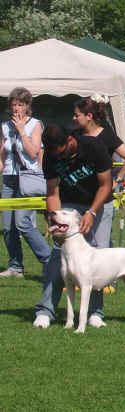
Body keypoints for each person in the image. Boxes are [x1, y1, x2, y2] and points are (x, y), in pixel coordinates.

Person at [33, 125, 114, 328]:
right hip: (69, 206)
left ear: (69, 141)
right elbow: (52, 192)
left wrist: (92, 212)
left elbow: (106, 185)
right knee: (58, 255)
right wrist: (55, 223)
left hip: (98, 202)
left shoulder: (94, 147)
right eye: (53, 154)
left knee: (98, 256)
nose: (57, 158)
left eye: (60, 153)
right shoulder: (51, 155)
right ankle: (45, 311)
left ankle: (95, 313)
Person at [0, 87, 51, 278]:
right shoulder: (5, 126)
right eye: (13, 104)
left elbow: (33, 152)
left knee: (23, 223)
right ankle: (15, 266)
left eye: (20, 104)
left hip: (28, 177)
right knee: (8, 227)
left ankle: (48, 259)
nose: (16, 108)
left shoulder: (35, 124)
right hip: (9, 178)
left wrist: (22, 130)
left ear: (27, 106)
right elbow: (3, 154)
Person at [73, 96, 125, 190]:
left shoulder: (107, 135)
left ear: (89, 116)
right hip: (78, 194)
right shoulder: (74, 135)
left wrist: (117, 180)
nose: (73, 118)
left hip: (102, 195)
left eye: (77, 115)